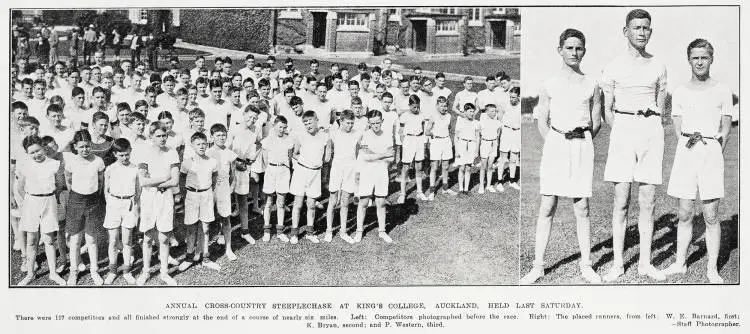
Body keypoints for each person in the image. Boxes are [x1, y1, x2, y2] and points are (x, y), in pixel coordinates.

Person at [521, 28, 602, 285]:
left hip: (582, 145)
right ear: (560, 50)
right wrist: (557, 142)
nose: (574, 52)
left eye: (578, 48)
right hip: (556, 145)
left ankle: (587, 265)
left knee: (582, 207)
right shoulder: (549, 84)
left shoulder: (592, 84)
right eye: (569, 48)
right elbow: (542, 122)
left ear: (584, 51)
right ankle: (537, 267)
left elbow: (596, 122)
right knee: (547, 206)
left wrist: (582, 140)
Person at [601, 9, 668, 282]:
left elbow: (661, 103)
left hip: (651, 130)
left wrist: (651, 127)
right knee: (621, 199)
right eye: (637, 27)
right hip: (623, 130)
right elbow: (607, 110)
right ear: (625, 31)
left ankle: (644, 263)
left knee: (648, 200)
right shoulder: (613, 66)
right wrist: (622, 129)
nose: (642, 32)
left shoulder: (658, 65)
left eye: (646, 28)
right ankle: (618, 263)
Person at [661, 39, 733, 284]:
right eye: (695, 57)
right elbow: (678, 127)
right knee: (684, 213)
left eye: (704, 57)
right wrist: (690, 147)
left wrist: (712, 152)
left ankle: (712, 269)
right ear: (689, 60)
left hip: (711, 151)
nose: (700, 62)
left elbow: (725, 129)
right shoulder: (680, 92)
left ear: (711, 59)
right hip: (686, 151)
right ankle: (680, 263)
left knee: (711, 215)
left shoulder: (722, 90)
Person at [16, 135, 67, 286]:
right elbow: (20, 187)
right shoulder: (25, 166)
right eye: (31, 153)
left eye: (38, 150)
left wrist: (48, 197)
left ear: (43, 148)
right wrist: (31, 200)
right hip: (31, 202)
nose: (36, 155)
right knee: (31, 240)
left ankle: (53, 273)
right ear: (27, 153)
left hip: (49, 201)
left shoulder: (54, 163)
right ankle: (31, 274)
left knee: (49, 239)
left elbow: (59, 184)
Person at [134, 122, 181, 285]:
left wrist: (153, 181)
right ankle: (146, 271)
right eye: (158, 136)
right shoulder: (144, 153)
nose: (162, 138)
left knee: (163, 237)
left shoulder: (172, 152)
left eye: (164, 135)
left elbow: (174, 181)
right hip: (148, 198)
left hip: (165, 198)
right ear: (151, 137)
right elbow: (142, 181)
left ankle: (164, 272)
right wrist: (163, 178)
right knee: (147, 238)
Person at [63, 129, 106, 285]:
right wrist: (76, 196)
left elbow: (100, 182)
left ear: (91, 145)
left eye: (87, 146)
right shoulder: (71, 162)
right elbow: (68, 181)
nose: (85, 150)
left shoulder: (98, 161)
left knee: (91, 239)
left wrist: (95, 197)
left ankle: (94, 270)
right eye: (81, 147)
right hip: (76, 200)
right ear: (75, 146)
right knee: (75, 239)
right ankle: (73, 271)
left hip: (93, 201)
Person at [288, 111, 331, 244]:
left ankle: (310, 232)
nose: (308, 125)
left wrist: (316, 164)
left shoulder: (325, 137)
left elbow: (327, 158)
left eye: (310, 122)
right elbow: (294, 153)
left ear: (317, 120)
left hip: (316, 173)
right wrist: (305, 161)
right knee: (298, 203)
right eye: (305, 123)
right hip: (301, 172)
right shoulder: (301, 136)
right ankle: (294, 232)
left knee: (311, 204)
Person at [353, 110, 394, 243]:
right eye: (372, 123)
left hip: (382, 170)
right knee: (364, 201)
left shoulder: (387, 135)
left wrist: (374, 155)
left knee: (381, 202)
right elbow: (365, 157)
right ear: (369, 123)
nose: (375, 125)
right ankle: (359, 231)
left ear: (382, 121)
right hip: (367, 171)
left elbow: (392, 156)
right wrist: (383, 155)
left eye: (378, 122)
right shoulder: (366, 135)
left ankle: (382, 231)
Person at [103, 138, 140, 285]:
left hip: (129, 205)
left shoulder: (135, 169)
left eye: (127, 154)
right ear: (115, 154)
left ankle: (126, 270)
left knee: (127, 240)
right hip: (113, 204)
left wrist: (135, 209)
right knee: (113, 240)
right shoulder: (110, 169)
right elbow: (106, 190)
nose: (125, 158)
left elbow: (138, 191)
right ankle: (112, 270)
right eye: (121, 155)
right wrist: (111, 204)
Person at [228, 105, 263, 243]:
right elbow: (226, 149)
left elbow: (258, 144)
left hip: (244, 168)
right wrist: (236, 162)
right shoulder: (234, 130)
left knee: (243, 201)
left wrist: (251, 160)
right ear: (244, 115)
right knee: (225, 203)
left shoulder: (256, 130)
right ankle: (221, 234)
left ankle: (245, 231)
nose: (252, 120)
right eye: (250, 117)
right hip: (231, 168)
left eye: (255, 118)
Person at [325, 110, 359, 243]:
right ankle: (329, 230)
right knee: (333, 199)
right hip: (337, 169)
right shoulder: (334, 134)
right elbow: (328, 151)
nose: (350, 126)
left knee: (345, 201)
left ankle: (343, 231)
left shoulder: (357, 134)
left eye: (352, 123)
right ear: (341, 121)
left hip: (351, 169)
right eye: (347, 123)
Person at [206, 124, 239, 259]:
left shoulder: (230, 154)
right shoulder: (207, 152)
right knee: (206, 220)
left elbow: (233, 174)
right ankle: (203, 249)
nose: (221, 137)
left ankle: (228, 248)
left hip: (224, 188)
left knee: (225, 218)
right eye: (218, 135)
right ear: (212, 136)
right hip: (209, 189)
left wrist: (231, 189)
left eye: (223, 135)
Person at [261, 116, 294, 243]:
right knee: (268, 202)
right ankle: (266, 231)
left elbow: (289, 158)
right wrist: (270, 169)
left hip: (284, 171)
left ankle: (280, 231)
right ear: (274, 126)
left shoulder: (289, 139)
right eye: (280, 127)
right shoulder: (267, 140)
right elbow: (264, 160)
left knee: (281, 202)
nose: (282, 129)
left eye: (284, 127)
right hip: (271, 170)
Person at [397, 95, 429, 203]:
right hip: (409, 140)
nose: (416, 109)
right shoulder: (404, 116)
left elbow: (423, 129)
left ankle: (419, 191)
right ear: (409, 105)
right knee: (405, 168)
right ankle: (402, 193)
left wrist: (423, 142)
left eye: (418, 107)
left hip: (419, 140)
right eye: (414, 107)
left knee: (419, 167)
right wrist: (404, 142)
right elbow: (400, 131)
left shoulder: (422, 115)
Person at [425, 96, 456, 200]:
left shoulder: (449, 116)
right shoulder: (433, 116)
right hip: (436, 142)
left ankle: (445, 188)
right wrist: (434, 133)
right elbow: (427, 131)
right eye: (441, 106)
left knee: (446, 166)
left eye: (445, 106)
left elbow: (449, 128)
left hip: (446, 141)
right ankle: (432, 191)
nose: (443, 108)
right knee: (434, 167)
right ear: (437, 106)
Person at [496, 86, 522, 191]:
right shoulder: (505, 104)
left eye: (514, 97)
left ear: (519, 97)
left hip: (517, 132)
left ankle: (512, 181)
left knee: (514, 158)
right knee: (503, 158)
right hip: (506, 131)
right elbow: (500, 118)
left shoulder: (522, 107)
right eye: (510, 97)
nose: (512, 99)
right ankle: (499, 182)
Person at [454, 103, 480, 194]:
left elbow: (477, 137)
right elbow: (456, 137)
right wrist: (456, 150)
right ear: (465, 112)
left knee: (468, 168)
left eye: (473, 112)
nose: (472, 113)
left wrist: (476, 150)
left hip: (471, 145)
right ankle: (461, 189)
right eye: (470, 111)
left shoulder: (476, 123)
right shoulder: (460, 121)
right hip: (462, 144)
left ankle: (466, 189)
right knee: (461, 168)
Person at [478, 104, 502, 194]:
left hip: (494, 144)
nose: (494, 113)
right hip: (485, 144)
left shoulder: (498, 123)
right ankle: (481, 186)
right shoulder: (481, 122)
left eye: (495, 111)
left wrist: (496, 144)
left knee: (490, 166)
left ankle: (488, 185)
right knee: (483, 166)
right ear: (487, 112)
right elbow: (479, 135)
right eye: (492, 111)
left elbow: (498, 134)